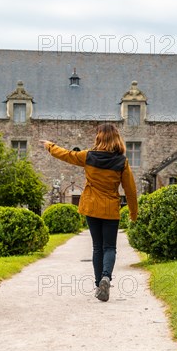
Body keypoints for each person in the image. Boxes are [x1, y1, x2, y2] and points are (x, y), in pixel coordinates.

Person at [39, 123, 138, 302]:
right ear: (117, 139)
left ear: (99, 137)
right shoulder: (121, 162)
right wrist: (133, 213)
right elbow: (130, 190)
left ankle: (98, 283)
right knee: (109, 247)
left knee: (97, 247)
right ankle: (106, 277)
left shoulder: (88, 156)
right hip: (110, 210)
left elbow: (67, 155)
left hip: (91, 208)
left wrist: (50, 146)